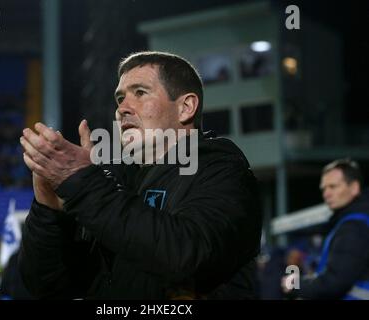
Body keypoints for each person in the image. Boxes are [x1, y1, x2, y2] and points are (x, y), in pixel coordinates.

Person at [18, 51, 262, 299]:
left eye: (140, 93)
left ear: (186, 107)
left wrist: (84, 183)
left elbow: (188, 257)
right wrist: (48, 212)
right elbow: (47, 286)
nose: (122, 108)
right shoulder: (113, 182)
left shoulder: (223, 171)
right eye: (120, 98)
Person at [283, 159, 369, 299]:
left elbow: (335, 283)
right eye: (324, 188)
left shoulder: (354, 227)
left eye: (333, 187)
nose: (326, 194)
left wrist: (295, 286)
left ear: (354, 188)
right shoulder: (354, 221)